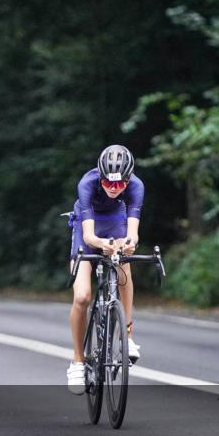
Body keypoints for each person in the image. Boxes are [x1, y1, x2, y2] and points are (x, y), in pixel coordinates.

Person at [66, 144, 144, 394]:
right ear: (99, 177)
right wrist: (104, 245)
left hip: (115, 221)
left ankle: (128, 336)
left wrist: (127, 245)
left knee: (124, 266)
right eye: (108, 183)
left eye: (120, 184)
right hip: (87, 226)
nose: (113, 188)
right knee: (82, 296)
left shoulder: (137, 187)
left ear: (128, 179)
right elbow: (89, 237)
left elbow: (133, 234)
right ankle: (78, 360)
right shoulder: (87, 184)